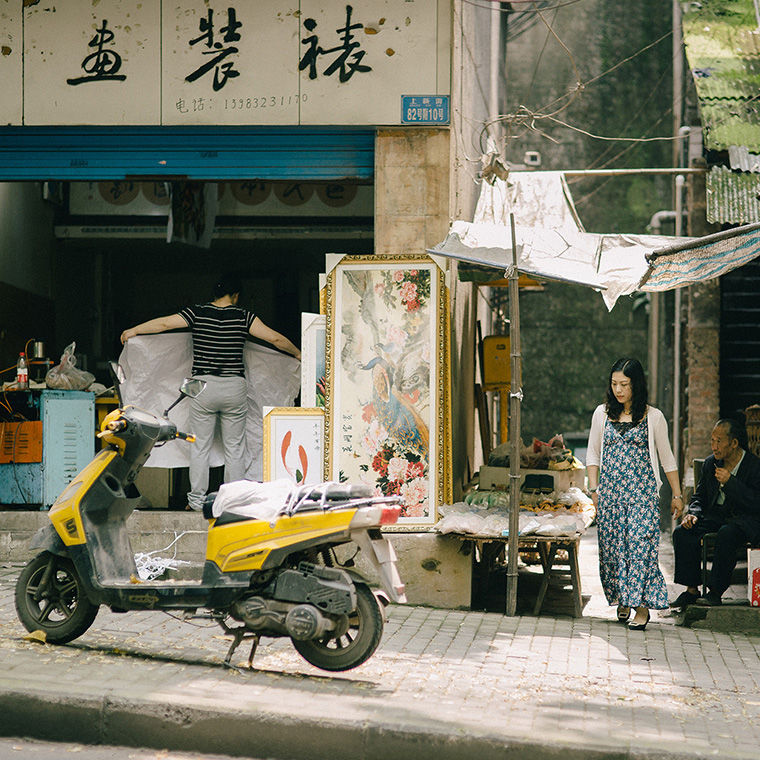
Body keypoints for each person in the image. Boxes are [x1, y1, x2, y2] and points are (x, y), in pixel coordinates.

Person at [120, 272, 301, 511]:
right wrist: (299, 353)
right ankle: (232, 502)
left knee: (200, 445)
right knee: (235, 448)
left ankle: (195, 501)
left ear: (214, 294)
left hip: (202, 387)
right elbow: (276, 340)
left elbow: (164, 323)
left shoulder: (197, 312)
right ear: (235, 295)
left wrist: (133, 330)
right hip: (234, 387)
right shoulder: (244, 316)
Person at [586, 358, 682, 630]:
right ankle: (623, 599)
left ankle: (642, 608)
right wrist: (594, 489)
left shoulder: (654, 417)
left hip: (643, 495)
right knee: (614, 550)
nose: (618, 390)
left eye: (624, 385)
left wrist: (677, 494)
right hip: (611, 496)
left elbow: (667, 459)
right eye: (614, 384)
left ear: (636, 385)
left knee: (641, 548)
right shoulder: (601, 414)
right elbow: (593, 453)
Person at [670, 419, 760, 608]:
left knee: (727, 534)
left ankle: (715, 592)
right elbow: (699, 497)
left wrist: (731, 482)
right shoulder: (711, 464)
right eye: (712, 440)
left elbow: (755, 502)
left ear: (734, 443)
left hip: (742, 520)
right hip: (716, 516)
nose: (714, 446)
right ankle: (692, 590)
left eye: (719, 441)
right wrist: (692, 513)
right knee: (683, 532)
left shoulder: (753, 466)